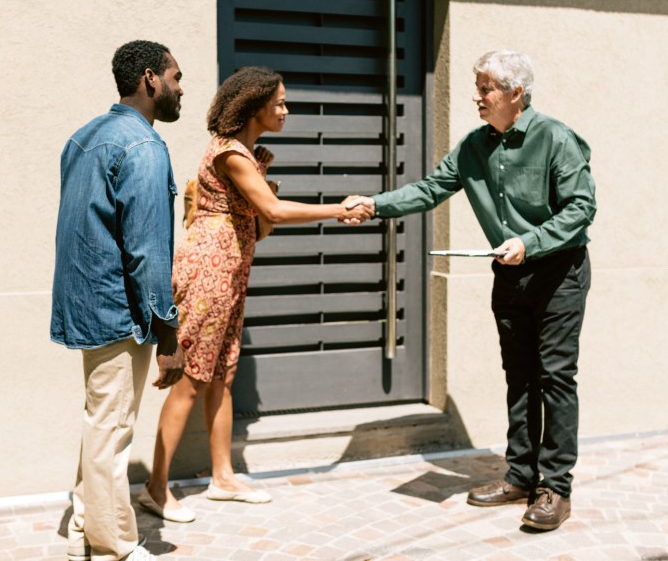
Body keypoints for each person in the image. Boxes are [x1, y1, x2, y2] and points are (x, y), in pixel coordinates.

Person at [347, 50, 595, 531]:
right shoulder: (474, 146)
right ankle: (521, 475)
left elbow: (581, 208)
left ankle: (556, 488)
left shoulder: (555, 139)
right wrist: (374, 205)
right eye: (477, 87)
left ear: (515, 94)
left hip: (558, 272)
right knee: (519, 377)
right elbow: (430, 188)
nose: (476, 96)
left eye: (486, 88)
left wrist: (530, 241)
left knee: (555, 378)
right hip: (510, 273)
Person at [138, 66, 373, 523]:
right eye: (279, 102)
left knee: (222, 375)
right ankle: (155, 487)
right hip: (209, 271)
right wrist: (338, 208)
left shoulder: (246, 152)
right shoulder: (231, 154)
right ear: (253, 106)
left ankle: (223, 478)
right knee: (191, 381)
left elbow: (261, 218)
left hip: (230, 270)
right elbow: (272, 211)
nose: (286, 110)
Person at [51, 40, 188, 561]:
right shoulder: (144, 148)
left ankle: (85, 529)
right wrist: (168, 332)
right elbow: (148, 252)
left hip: (86, 303)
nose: (180, 89)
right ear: (151, 79)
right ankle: (115, 548)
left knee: (100, 422)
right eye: (176, 78)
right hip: (118, 311)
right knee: (112, 432)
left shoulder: (84, 137)